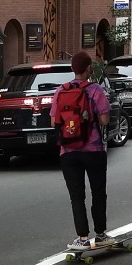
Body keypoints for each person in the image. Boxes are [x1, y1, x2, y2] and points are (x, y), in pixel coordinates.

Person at [52, 50, 113, 250]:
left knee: (76, 196)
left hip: (68, 151)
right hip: (93, 149)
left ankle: (82, 237)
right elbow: (104, 120)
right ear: (88, 69)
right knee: (98, 192)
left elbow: (54, 121)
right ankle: (101, 234)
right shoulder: (95, 90)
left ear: (72, 69)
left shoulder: (60, 91)